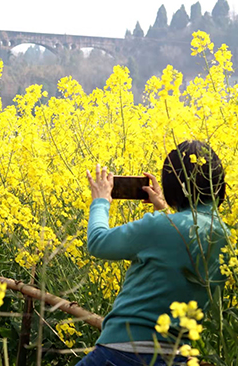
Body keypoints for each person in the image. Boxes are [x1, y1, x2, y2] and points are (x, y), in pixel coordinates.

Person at [78, 140, 228, 365]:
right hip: (176, 356)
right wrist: (164, 210)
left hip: (123, 352)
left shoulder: (159, 226)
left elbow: (98, 242)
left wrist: (100, 201)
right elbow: (181, 247)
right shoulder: (227, 235)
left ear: (173, 185)